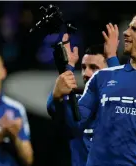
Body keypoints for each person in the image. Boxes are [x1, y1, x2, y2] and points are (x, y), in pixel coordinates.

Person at [53, 10, 136, 166]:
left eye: (135, 29)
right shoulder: (101, 77)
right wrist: (57, 97)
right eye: (129, 27)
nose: (126, 32)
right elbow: (76, 124)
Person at [47, 24, 120, 166]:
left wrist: (112, 58)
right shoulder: (77, 104)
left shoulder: (123, 104)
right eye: (83, 67)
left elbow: (120, 89)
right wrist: (66, 69)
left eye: (94, 68)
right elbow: (54, 109)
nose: (86, 73)